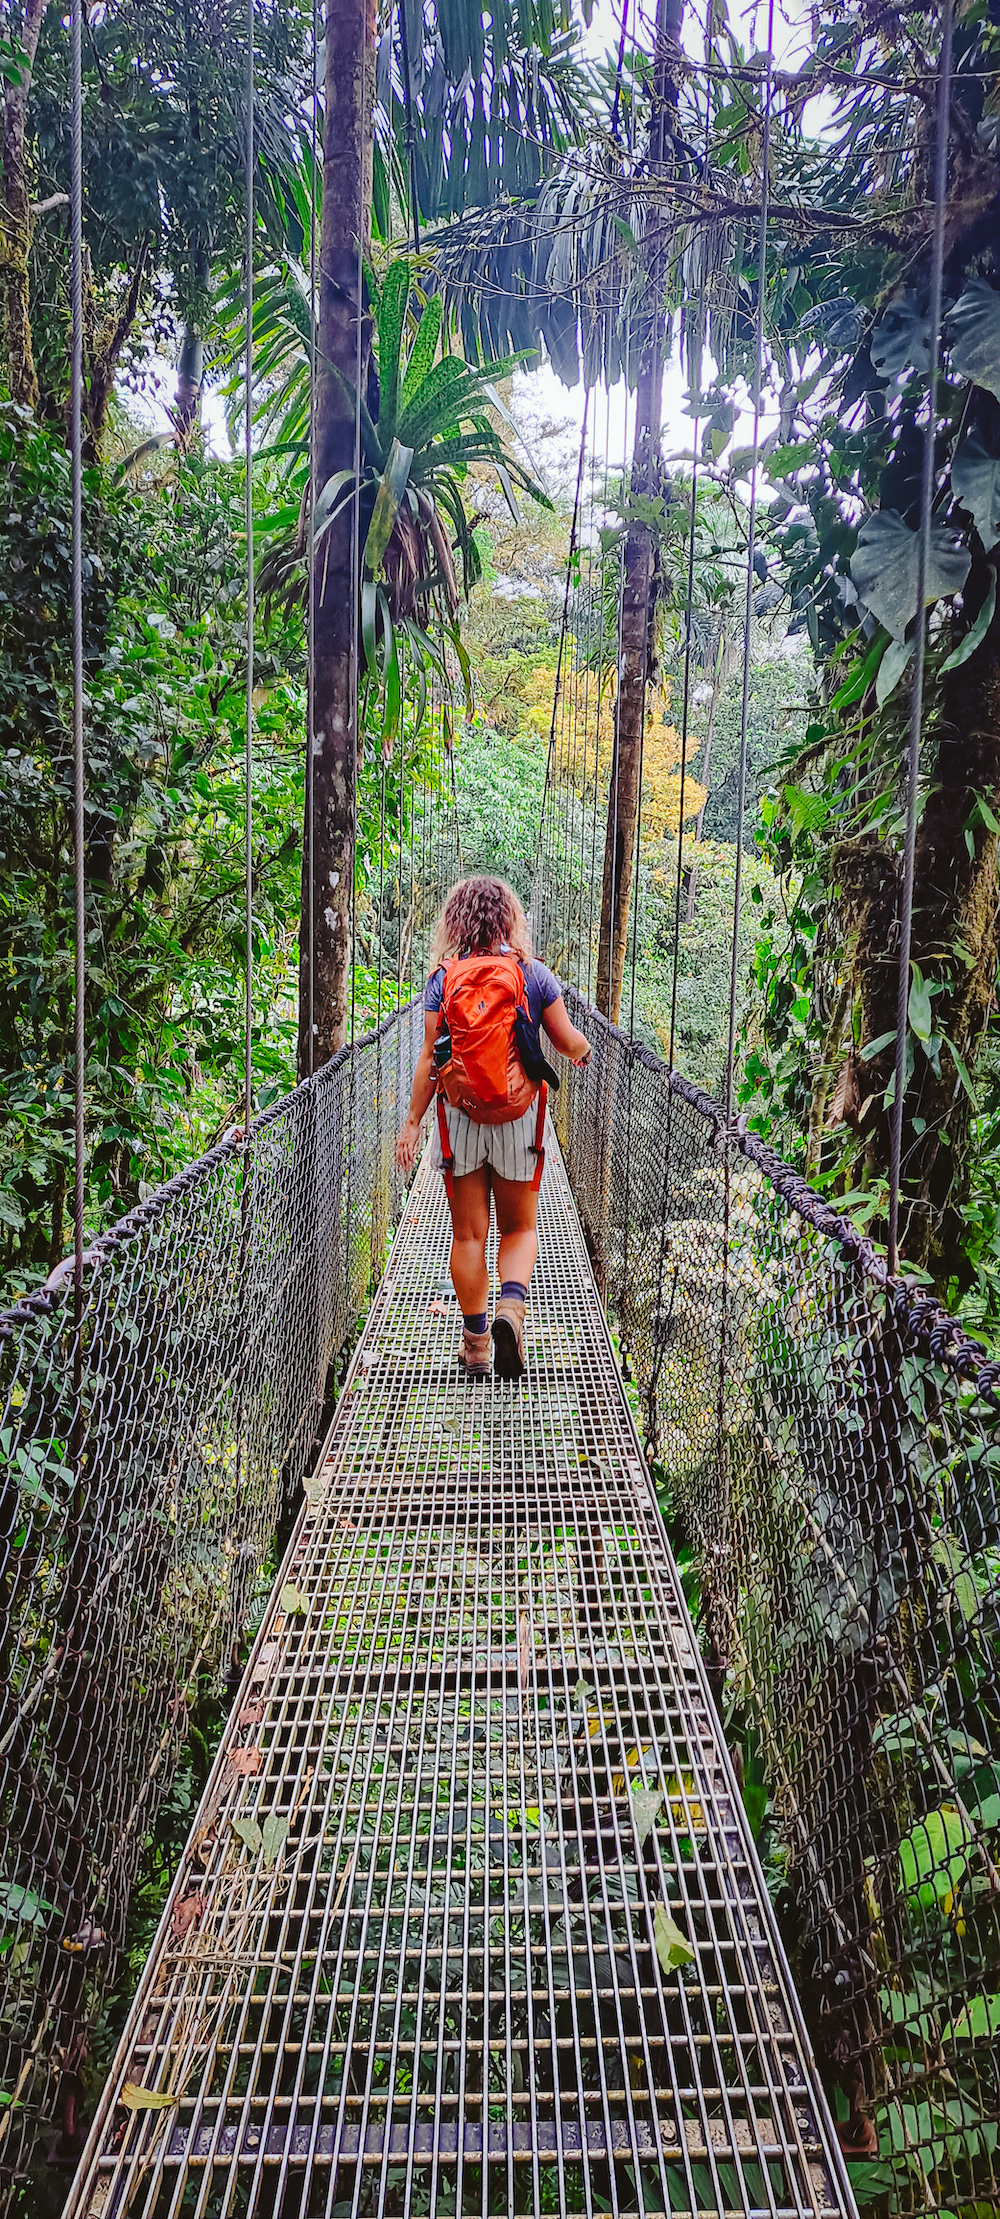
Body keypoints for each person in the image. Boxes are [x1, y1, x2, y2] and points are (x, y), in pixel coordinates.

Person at [395, 876, 591, 1379]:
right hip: (520, 1117)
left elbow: (427, 1061)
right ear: (509, 919)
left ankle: (477, 1344)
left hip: (459, 1116)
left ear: (456, 921)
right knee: (521, 1226)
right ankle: (511, 1308)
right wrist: (584, 1050)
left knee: (467, 1236)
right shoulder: (533, 975)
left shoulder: (443, 979)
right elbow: (567, 1042)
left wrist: (413, 1123)